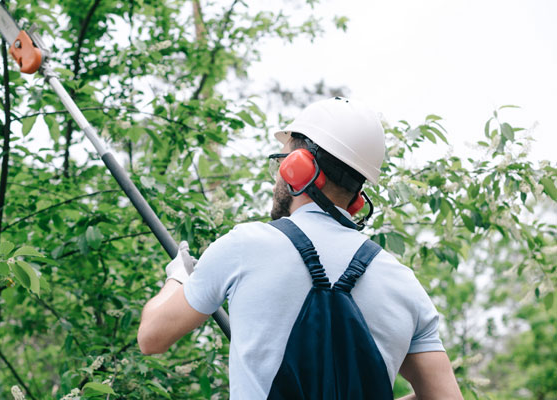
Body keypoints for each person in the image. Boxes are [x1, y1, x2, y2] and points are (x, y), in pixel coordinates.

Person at [137, 97, 462, 399]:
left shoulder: (244, 247)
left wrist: (178, 277)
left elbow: (151, 337)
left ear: (298, 167)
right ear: (357, 198)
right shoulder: (403, 283)